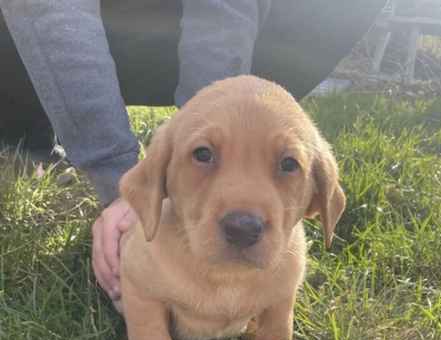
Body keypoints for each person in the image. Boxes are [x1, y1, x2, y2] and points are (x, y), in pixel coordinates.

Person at [0, 0, 271, 301]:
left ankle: (251, 143)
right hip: (41, 26)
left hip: (161, 27)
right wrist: (121, 185)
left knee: (319, 18)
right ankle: (25, 137)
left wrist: (207, 149)